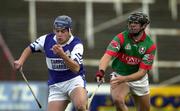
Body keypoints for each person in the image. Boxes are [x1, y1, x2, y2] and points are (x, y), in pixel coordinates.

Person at [14, 15, 88, 111]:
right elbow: (30, 48)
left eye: (63, 31)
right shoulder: (46, 39)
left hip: (74, 81)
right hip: (56, 85)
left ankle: (83, 100)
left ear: (70, 31)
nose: (59, 34)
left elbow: (76, 68)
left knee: (81, 107)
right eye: (57, 31)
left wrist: (62, 55)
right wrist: (21, 61)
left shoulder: (76, 44)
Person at [95, 12, 156, 111]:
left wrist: (124, 79)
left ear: (144, 26)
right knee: (118, 100)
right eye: (130, 23)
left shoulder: (150, 45)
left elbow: (142, 73)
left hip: (139, 80)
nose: (132, 25)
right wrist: (101, 71)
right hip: (119, 75)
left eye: (135, 23)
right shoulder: (121, 37)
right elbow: (107, 56)